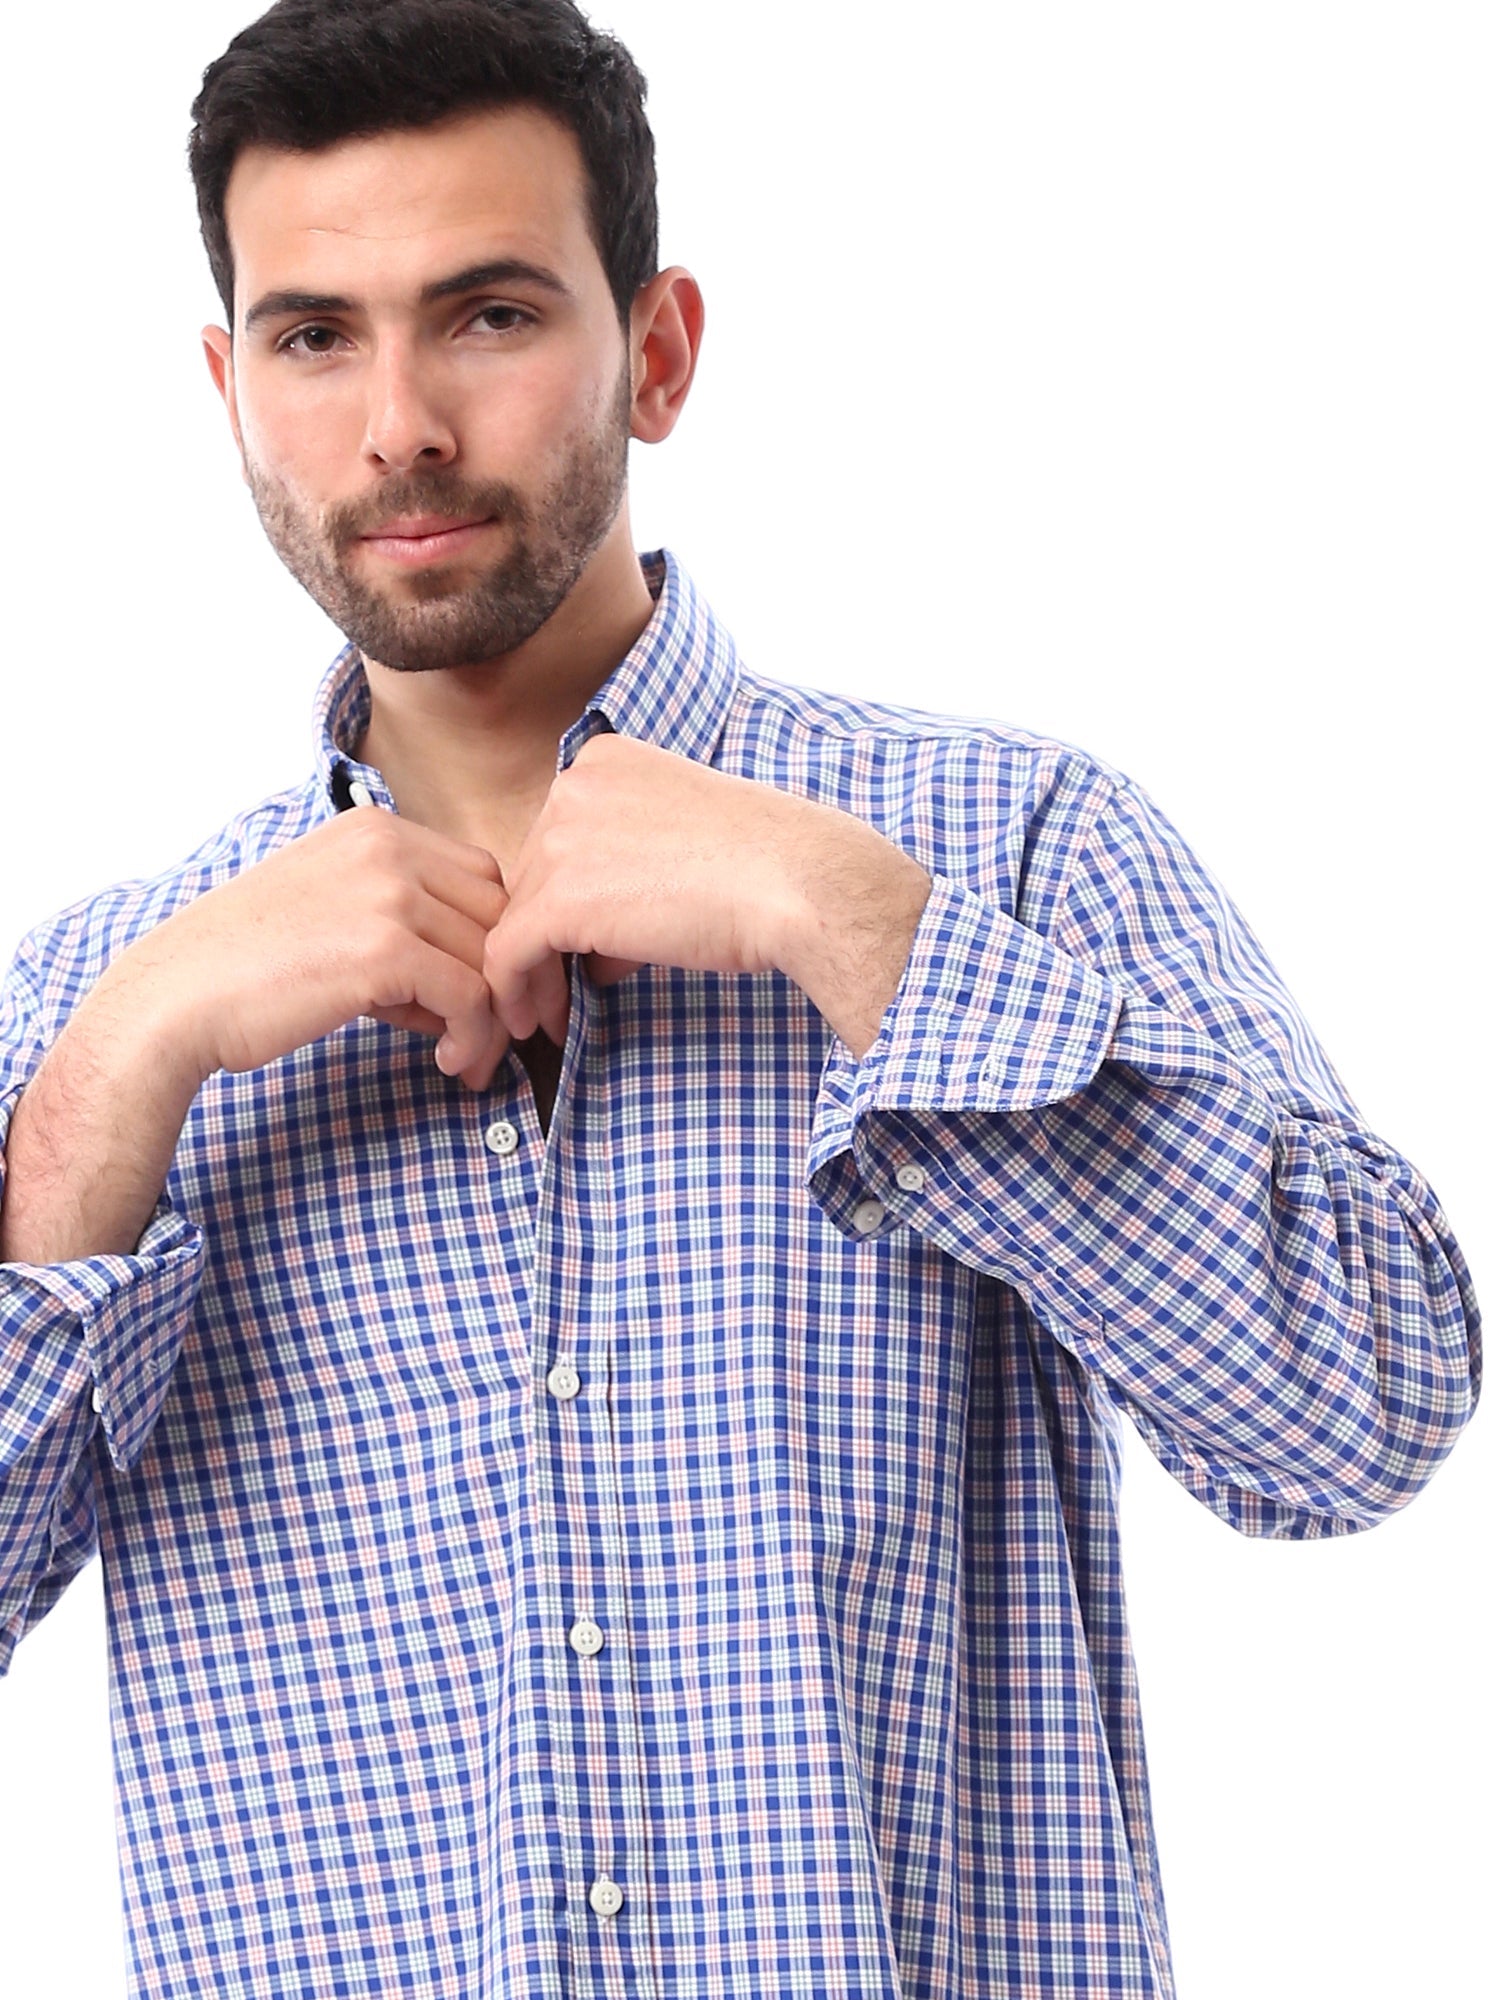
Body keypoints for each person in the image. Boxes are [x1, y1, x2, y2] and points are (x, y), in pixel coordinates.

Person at [0, 0, 1481, 1995]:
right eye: (315, 336)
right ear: (229, 386)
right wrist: (122, 1073)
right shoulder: (97, 1003)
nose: (400, 424)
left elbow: (1361, 1408)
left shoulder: (1011, 846)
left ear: (660, 349)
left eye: (490, 315)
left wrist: (857, 927)